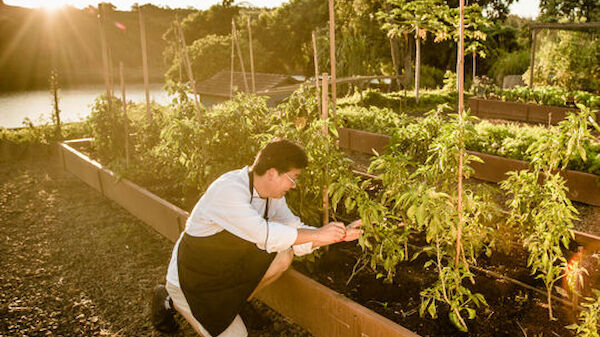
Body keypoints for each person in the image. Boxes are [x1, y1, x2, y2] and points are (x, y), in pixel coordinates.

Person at [151, 138, 362, 337]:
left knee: (284, 254)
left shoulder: (271, 197)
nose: (294, 185)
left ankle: (235, 304)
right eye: (293, 178)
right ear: (272, 173)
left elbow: (293, 232)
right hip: (193, 279)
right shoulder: (229, 190)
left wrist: (339, 235)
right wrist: (318, 234)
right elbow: (264, 234)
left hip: (225, 268)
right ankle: (169, 299)